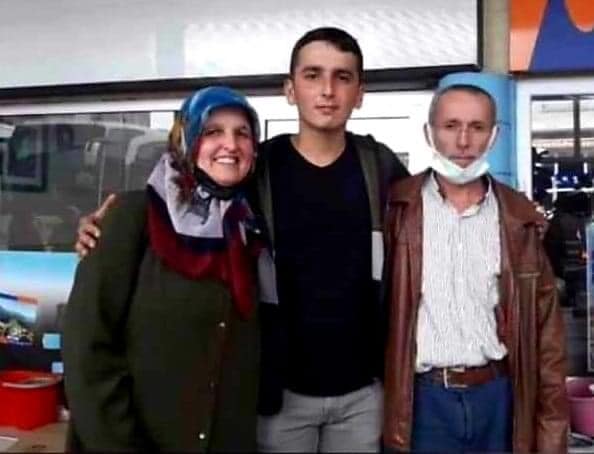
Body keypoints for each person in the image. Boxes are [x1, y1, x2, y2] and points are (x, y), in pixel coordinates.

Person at [74, 27, 409, 452]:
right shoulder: (254, 169)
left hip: (361, 394)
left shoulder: (379, 166)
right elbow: (184, 193)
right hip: (278, 397)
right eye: (312, 75)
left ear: (359, 93)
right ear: (290, 90)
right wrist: (107, 223)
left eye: (342, 77)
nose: (327, 90)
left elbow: (429, 215)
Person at [63, 86, 263, 452]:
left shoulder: (249, 228)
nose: (231, 145)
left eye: (243, 133)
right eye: (212, 131)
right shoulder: (133, 217)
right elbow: (86, 349)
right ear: (185, 139)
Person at [382, 83, 569, 453]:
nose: (464, 141)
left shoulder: (519, 218)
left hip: (498, 397)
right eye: (451, 126)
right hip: (423, 399)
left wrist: (551, 429)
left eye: (477, 127)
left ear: (494, 135)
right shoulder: (397, 210)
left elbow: (547, 338)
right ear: (429, 133)